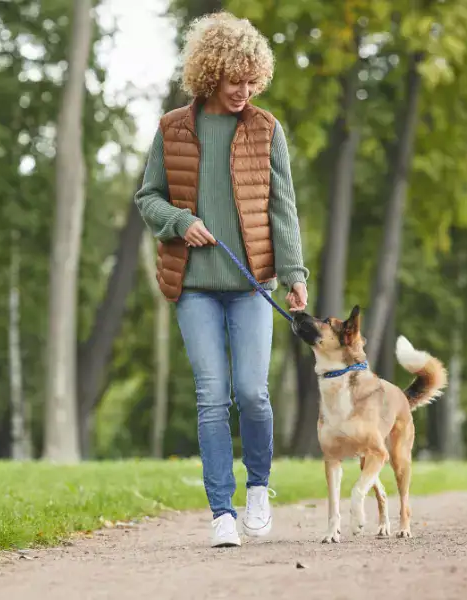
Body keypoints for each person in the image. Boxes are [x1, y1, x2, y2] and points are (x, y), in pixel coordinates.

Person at [134, 11, 309, 548]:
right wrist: (180, 222)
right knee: (212, 396)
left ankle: (258, 487)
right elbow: (148, 197)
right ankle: (221, 513)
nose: (245, 91)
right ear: (211, 75)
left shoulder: (266, 129)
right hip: (193, 286)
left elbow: (283, 208)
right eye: (236, 81)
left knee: (253, 394)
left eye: (253, 81)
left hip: (253, 283)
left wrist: (295, 273)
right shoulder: (173, 129)